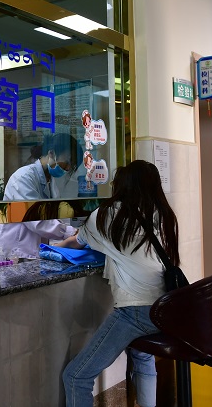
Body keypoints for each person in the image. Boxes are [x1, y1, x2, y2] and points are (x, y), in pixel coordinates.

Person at [59, 160, 179, 407]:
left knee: (76, 377)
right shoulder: (164, 214)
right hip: (166, 307)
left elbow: (76, 242)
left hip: (136, 311)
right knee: (142, 356)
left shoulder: (108, 215)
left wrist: (47, 249)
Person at [0, 133, 80, 261]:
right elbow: (35, 218)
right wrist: (70, 232)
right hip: (13, 252)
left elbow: (54, 216)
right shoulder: (23, 177)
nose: (68, 168)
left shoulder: (50, 182)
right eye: (67, 162)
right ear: (51, 154)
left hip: (31, 252)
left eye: (71, 166)